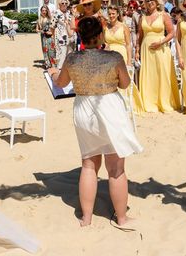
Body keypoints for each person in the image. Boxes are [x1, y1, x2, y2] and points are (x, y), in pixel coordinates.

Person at [48, 16, 142, 227]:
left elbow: (61, 83)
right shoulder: (114, 57)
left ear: (81, 36)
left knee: (89, 165)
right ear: (100, 35)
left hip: (83, 109)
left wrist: (53, 74)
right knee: (116, 168)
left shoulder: (72, 58)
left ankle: (87, 218)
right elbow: (126, 84)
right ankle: (122, 217)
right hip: (109, 108)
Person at [136, 0, 180, 113]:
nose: (149, 3)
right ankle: (150, 102)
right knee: (149, 75)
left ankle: (163, 102)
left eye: (151, 0)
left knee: (162, 75)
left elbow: (172, 32)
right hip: (146, 50)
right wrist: (137, 50)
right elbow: (139, 34)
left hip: (161, 49)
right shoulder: (142, 17)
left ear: (156, 1)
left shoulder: (163, 15)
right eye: (147, 1)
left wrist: (161, 42)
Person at [105, 6, 143, 113]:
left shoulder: (124, 26)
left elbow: (128, 44)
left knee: (123, 79)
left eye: (113, 13)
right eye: (109, 14)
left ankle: (126, 104)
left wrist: (129, 61)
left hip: (121, 55)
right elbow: (104, 42)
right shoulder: (105, 27)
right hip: (109, 56)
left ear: (117, 14)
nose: (111, 16)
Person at [53, 0, 74, 68]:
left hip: (70, 37)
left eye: (66, 3)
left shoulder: (69, 13)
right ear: (59, 4)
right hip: (60, 37)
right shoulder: (56, 12)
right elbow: (52, 26)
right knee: (61, 54)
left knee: (70, 54)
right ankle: (59, 70)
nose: (64, 4)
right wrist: (54, 38)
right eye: (62, 3)